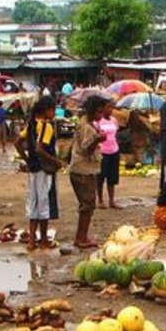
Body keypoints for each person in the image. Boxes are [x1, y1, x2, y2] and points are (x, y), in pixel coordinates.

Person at [15, 96, 61, 250]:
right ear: (46, 110)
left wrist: (28, 160)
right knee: (44, 203)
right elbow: (40, 149)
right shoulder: (46, 127)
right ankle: (43, 240)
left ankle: (32, 241)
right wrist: (56, 162)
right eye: (53, 109)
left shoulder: (31, 125)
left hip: (33, 169)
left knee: (33, 203)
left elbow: (17, 143)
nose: (54, 112)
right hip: (44, 170)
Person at [69, 95, 108, 249]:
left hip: (83, 169)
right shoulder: (86, 126)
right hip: (83, 171)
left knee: (87, 205)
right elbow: (86, 149)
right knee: (87, 206)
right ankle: (81, 238)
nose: (100, 115)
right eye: (98, 112)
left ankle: (82, 236)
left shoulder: (87, 123)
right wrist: (97, 140)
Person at [96, 100, 121, 209]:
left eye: (112, 108)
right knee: (100, 177)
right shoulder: (98, 121)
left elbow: (117, 134)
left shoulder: (114, 120)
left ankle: (111, 200)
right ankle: (100, 199)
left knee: (112, 177)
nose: (110, 110)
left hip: (114, 151)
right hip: (102, 152)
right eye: (108, 107)